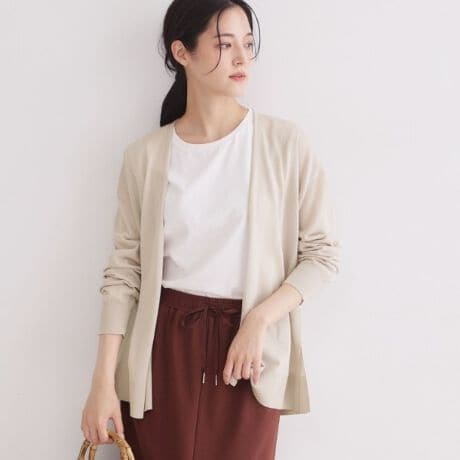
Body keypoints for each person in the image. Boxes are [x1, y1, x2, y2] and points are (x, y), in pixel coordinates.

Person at [81, 1, 341, 459]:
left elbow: (322, 255)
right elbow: (124, 273)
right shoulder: (145, 157)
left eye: (248, 44)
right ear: (182, 52)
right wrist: (102, 383)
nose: (242, 58)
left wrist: (259, 319)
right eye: (224, 45)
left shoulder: (285, 145)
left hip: (249, 356)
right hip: (162, 352)